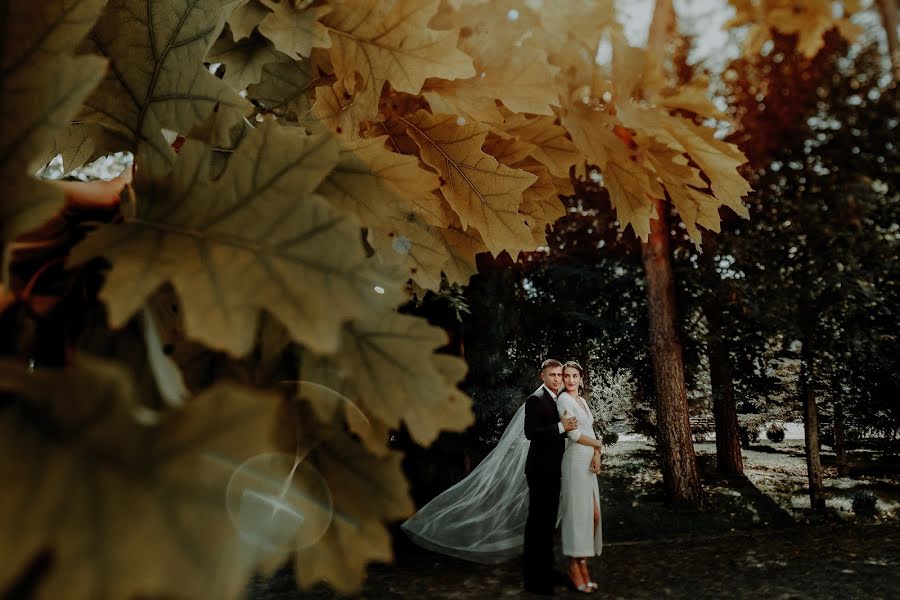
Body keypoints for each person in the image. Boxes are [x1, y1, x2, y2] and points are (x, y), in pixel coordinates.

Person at [522, 359, 579, 595]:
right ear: (542, 376)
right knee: (538, 524)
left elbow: (560, 433)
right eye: (552, 375)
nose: (557, 379)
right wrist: (560, 427)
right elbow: (531, 433)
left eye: (559, 375)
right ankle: (534, 580)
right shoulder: (535, 400)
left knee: (548, 524)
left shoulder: (557, 399)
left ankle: (548, 570)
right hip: (539, 471)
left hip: (554, 469)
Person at [556, 361, 603, 593]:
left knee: (593, 516)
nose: (571, 380)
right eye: (567, 376)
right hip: (574, 463)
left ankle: (580, 562)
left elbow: (590, 431)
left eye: (575, 375)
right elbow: (574, 434)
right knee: (578, 518)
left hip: (589, 462)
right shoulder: (563, 400)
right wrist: (599, 445)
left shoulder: (582, 401)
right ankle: (576, 567)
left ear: (581, 377)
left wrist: (597, 453)